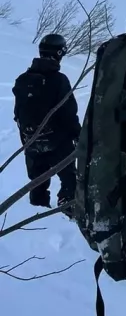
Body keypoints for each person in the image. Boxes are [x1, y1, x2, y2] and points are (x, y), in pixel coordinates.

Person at [13, 33, 80, 208]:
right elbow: (69, 113)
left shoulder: (22, 80)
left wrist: (28, 138)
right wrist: (78, 135)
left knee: (37, 183)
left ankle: (37, 213)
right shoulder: (59, 80)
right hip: (59, 142)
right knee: (69, 179)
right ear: (60, 53)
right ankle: (67, 209)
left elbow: (18, 113)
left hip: (32, 141)